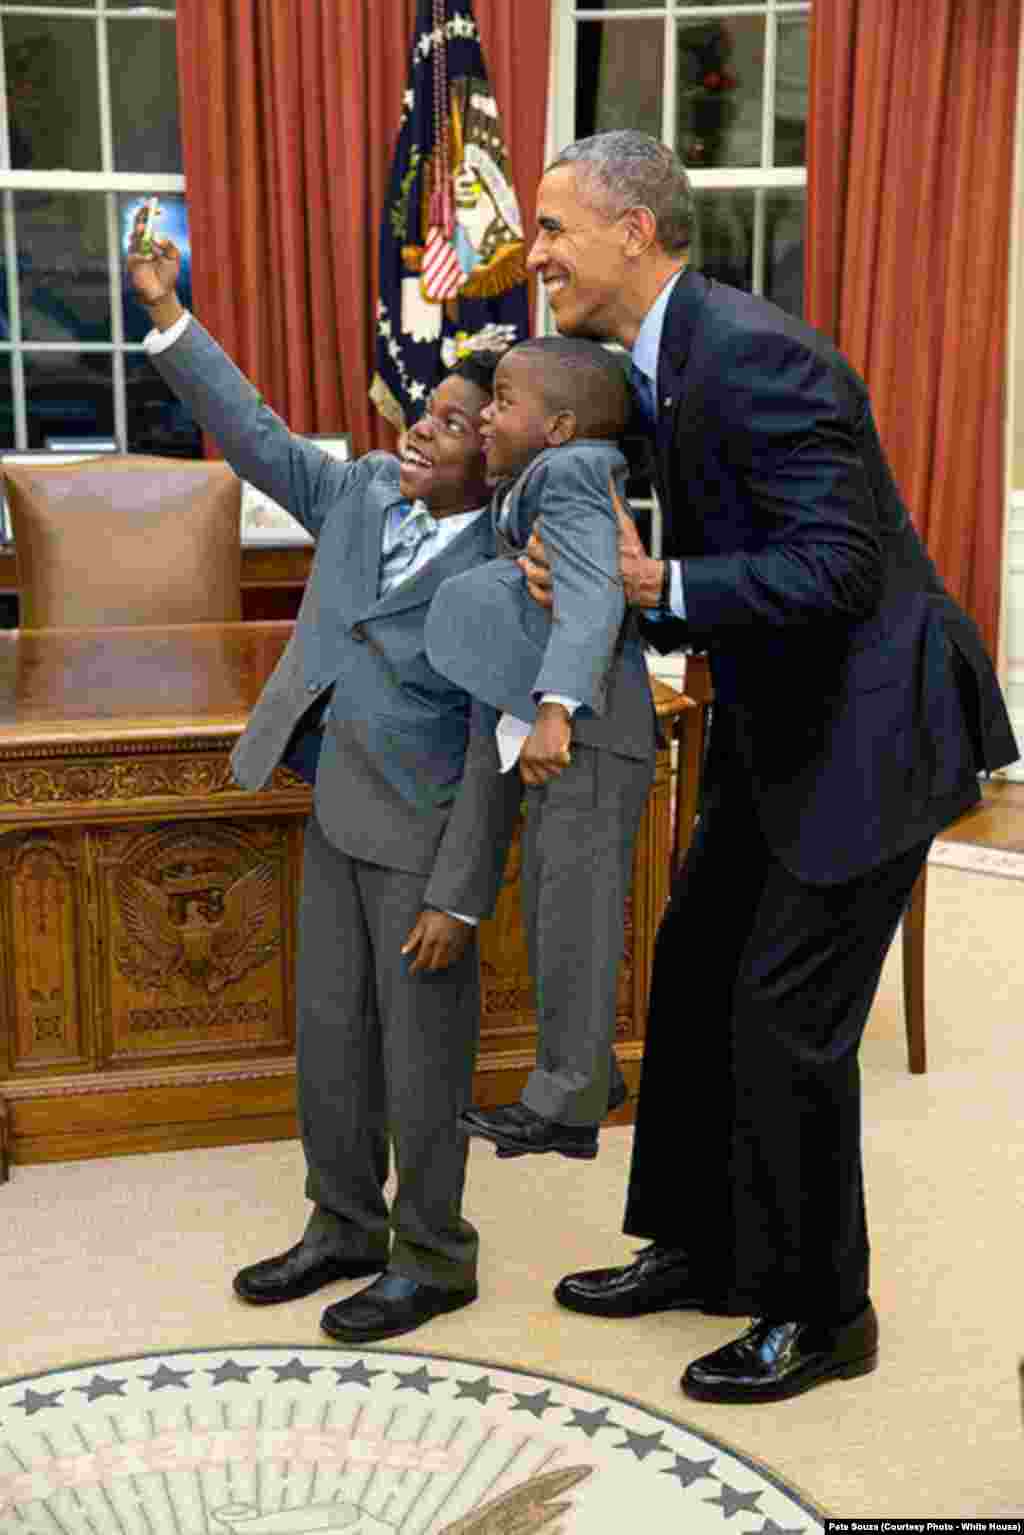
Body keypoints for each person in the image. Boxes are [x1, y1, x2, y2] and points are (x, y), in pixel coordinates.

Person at [518, 129, 1018, 1403]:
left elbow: (837, 569)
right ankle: (701, 1246)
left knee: (784, 1021)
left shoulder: (759, 357)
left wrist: (653, 583)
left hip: (873, 721)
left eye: (553, 227)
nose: (536, 253)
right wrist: (616, 591)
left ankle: (820, 1308)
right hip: (774, 712)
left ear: (634, 231)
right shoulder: (656, 359)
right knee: (692, 974)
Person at [127, 235, 522, 1345]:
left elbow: (500, 747)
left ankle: (433, 1253)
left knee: (420, 1056)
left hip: (427, 843)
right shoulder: (354, 493)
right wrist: (169, 311)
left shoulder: (506, 566)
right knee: (331, 1036)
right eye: (425, 409)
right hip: (338, 808)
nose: (421, 428)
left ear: (495, 460)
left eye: (450, 424)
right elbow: (252, 433)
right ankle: (343, 1221)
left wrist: (461, 891)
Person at [424, 336, 657, 1159]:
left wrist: (555, 710)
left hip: (588, 734)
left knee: (573, 925)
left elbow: (592, 595)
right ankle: (590, 1073)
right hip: (575, 741)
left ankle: (564, 1102)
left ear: (558, 427)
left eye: (504, 402)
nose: (486, 413)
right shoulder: (543, 479)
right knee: (559, 916)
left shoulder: (569, 477)